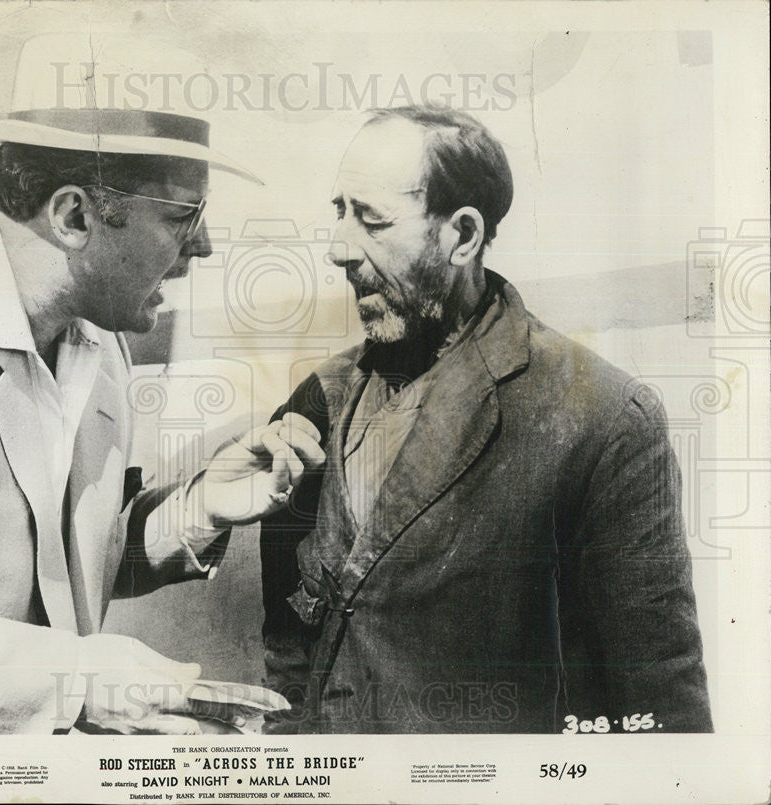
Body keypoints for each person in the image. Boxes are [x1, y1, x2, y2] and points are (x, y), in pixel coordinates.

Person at [0, 39, 323, 735]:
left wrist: (199, 507)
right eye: (184, 217)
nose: (203, 249)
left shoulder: (95, 338)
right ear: (75, 217)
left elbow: (56, 570)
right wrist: (75, 680)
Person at [259, 106, 712, 734]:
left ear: (463, 236)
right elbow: (288, 651)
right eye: (339, 211)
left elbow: (662, 709)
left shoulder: (606, 421)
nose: (339, 249)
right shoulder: (318, 401)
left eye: (372, 220)